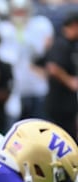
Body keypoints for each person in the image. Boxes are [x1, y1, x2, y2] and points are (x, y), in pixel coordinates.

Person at [45, 12, 78, 140]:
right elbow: (52, 67)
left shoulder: (71, 45)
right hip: (59, 105)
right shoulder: (61, 44)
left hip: (68, 105)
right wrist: (70, 81)